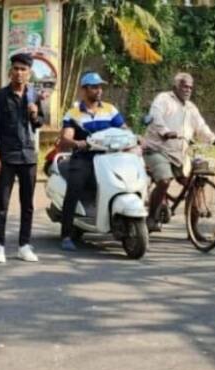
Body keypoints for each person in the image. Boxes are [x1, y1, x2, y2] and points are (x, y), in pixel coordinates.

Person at [58, 71, 127, 251]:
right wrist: (76, 143)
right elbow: (66, 137)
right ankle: (66, 234)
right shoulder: (73, 114)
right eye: (94, 87)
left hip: (109, 158)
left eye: (100, 87)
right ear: (84, 89)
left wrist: (134, 138)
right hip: (85, 158)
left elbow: (123, 128)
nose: (99, 90)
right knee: (74, 188)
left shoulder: (110, 110)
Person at [0, 53, 44, 264]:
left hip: (29, 155)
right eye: (16, 69)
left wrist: (35, 114)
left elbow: (39, 123)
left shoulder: (33, 96)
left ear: (29, 73)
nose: (19, 73)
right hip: (7, 156)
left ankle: (24, 245)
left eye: (24, 69)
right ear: (10, 71)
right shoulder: (0, 96)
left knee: (27, 204)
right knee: (2, 203)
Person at [143, 72, 215, 231]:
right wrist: (165, 132)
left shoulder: (191, 108)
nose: (188, 90)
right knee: (164, 180)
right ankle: (151, 218)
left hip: (180, 154)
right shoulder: (163, 99)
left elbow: (201, 126)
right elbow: (156, 117)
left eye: (190, 87)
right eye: (184, 86)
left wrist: (212, 138)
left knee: (195, 185)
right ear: (175, 87)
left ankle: (193, 228)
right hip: (158, 150)